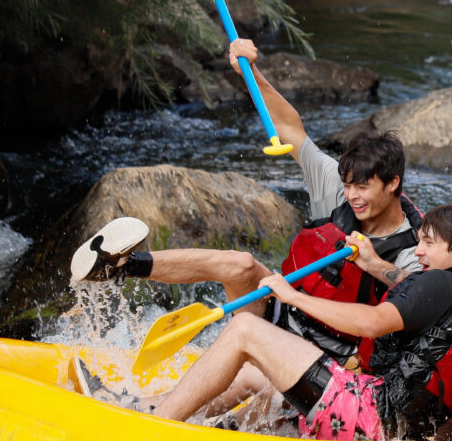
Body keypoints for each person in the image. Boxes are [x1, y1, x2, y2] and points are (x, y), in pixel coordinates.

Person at [116, 205, 452, 441]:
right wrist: (374, 265)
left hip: (370, 415)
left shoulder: (436, 282)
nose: (419, 250)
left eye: (428, 243)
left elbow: (372, 323)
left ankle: (155, 429)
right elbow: (409, 294)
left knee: (247, 331)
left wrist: (293, 297)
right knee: (258, 370)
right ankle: (155, 408)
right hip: (402, 424)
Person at [70, 129, 424, 369]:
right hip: (285, 314)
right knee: (239, 264)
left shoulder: (415, 245)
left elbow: (428, 297)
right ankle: (122, 266)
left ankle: (147, 409)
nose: (352, 196)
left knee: (248, 347)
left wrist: (375, 264)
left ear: (393, 183)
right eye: (348, 186)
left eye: (361, 187)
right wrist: (250, 70)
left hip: (330, 354)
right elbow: (290, 128)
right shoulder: (343, 187)